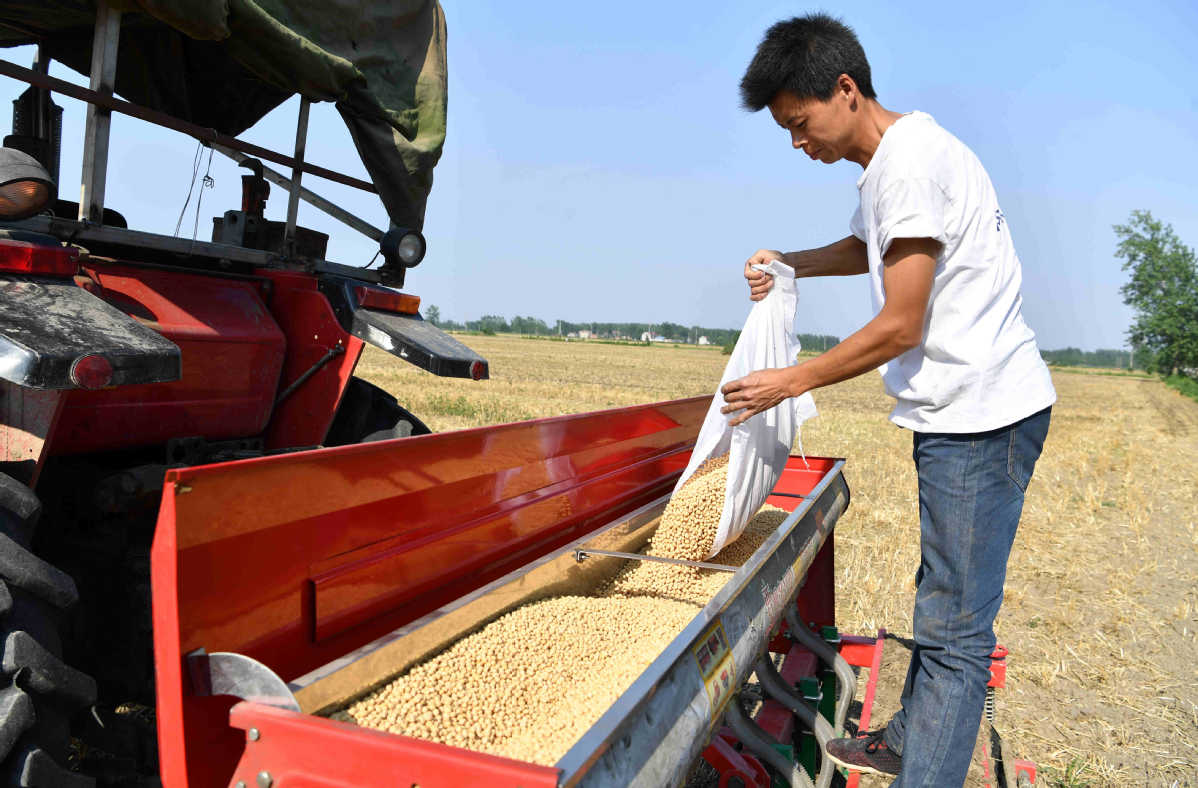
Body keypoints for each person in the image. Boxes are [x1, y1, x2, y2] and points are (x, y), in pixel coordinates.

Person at [721, 14, 1055, 787]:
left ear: (845, 90)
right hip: (965, 411)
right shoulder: (898, 158)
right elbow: (867, 244)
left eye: (801, 126)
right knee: (942, 595)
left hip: (980, 418)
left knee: (955, 633)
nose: (799, 145)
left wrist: (792, 379)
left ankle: (922, 772)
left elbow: (902, 322)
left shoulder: (906, 166)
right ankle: (911, 737)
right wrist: (790, 264)